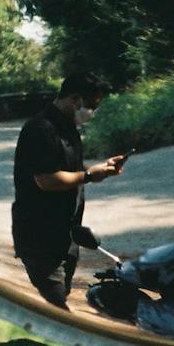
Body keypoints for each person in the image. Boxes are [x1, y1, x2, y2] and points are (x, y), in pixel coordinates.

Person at [11, 71, 126, 307]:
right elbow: (46, 179)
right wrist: (88, 176)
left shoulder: (69, 129)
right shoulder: (40, 129)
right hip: (39, 237)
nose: (93, 111)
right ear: (75, 99)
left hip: (66, 236)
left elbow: (68, 169)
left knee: (61, 295)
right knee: (56, 306)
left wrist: (99, 169)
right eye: (92, 105)